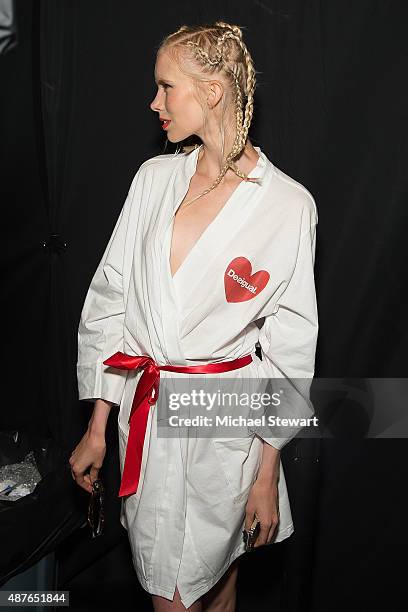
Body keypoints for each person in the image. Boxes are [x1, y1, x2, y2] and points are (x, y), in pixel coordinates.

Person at [69, 21, 319, 612]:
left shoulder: (288, 204)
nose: (153, 103)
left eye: (165, 86)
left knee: (222, 582)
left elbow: (289, 350)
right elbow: (113, 301)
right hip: (148, 414)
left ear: (211, 90)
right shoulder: (154, 180)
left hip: (226, 423)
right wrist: (99, 426)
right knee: (170, 586)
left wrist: (265, 475)